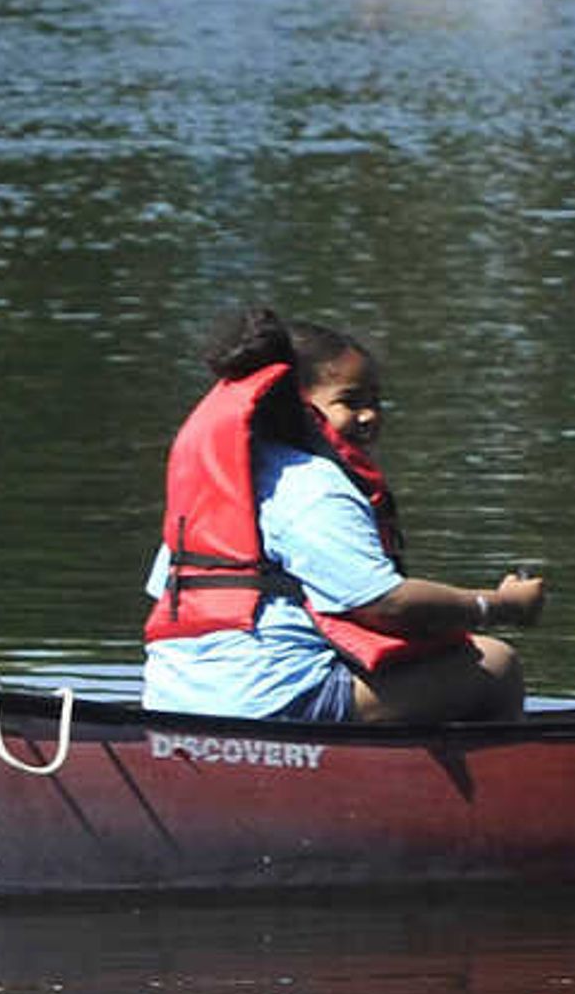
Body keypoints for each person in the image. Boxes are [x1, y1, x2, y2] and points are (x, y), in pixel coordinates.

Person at [142, 307, 550, 727]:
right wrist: (497, 605)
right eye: (350, 402)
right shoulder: (313, 486)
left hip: (171, 700)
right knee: (495, 665)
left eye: (376, 402)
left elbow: (166, 594)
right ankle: (493, 788)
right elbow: (383, 604)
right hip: (273, 703)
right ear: (296, 406)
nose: (370, 416)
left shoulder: (213, 488)